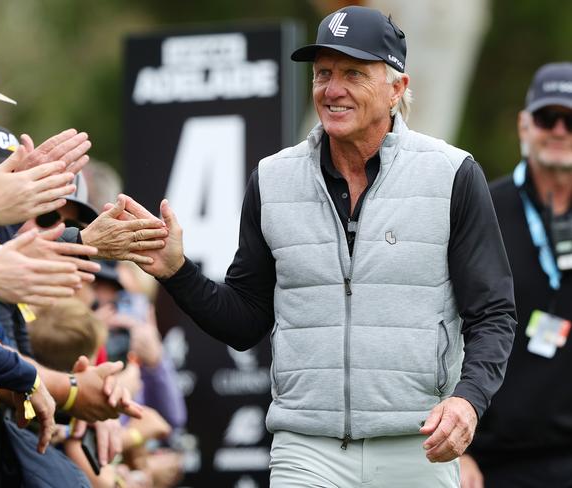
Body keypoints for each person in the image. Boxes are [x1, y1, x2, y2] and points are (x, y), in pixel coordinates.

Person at [128, 5, 517, 487]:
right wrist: (176, 270)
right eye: (323, 74)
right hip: (305, 446)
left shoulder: (453, 174)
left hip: (417, 444)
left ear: (396, 88)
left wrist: (468, 400)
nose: (333, 89)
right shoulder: (272, 180)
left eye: (353, 73)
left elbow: (493, 313)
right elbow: (245, 321)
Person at [462, 63, 572, 488]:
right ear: (524, 125)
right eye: (548, 118)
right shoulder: (480, 209)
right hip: (492, 464)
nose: (559, 130)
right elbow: (442, 327)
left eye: (570, 119)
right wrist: (460, 453)